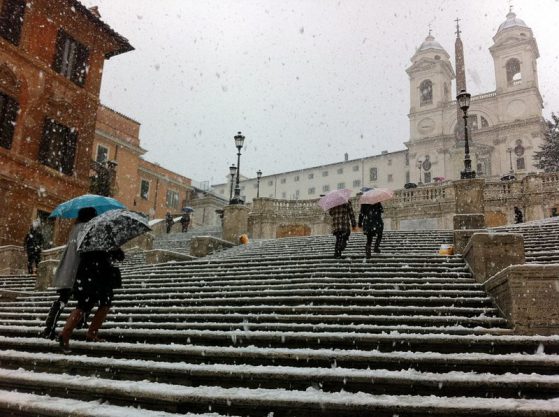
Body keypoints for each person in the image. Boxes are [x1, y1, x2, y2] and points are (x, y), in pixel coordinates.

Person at [41, 207, 96, 340]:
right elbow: (85, 249)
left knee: (63, 300)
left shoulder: (75, 228)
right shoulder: (86, 228)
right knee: (87, 298)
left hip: (67, 268)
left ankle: (49, 327)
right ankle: (78, 322)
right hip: (78, 270)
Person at [58, 244, 124, 353]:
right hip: (101, 276)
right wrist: (115, 249)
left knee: (82, 306)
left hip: (84, 276)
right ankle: (92, 333)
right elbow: (120, 256)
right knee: (105, 304)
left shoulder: (84, 240)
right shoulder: (106, 239)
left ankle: (65, 334)